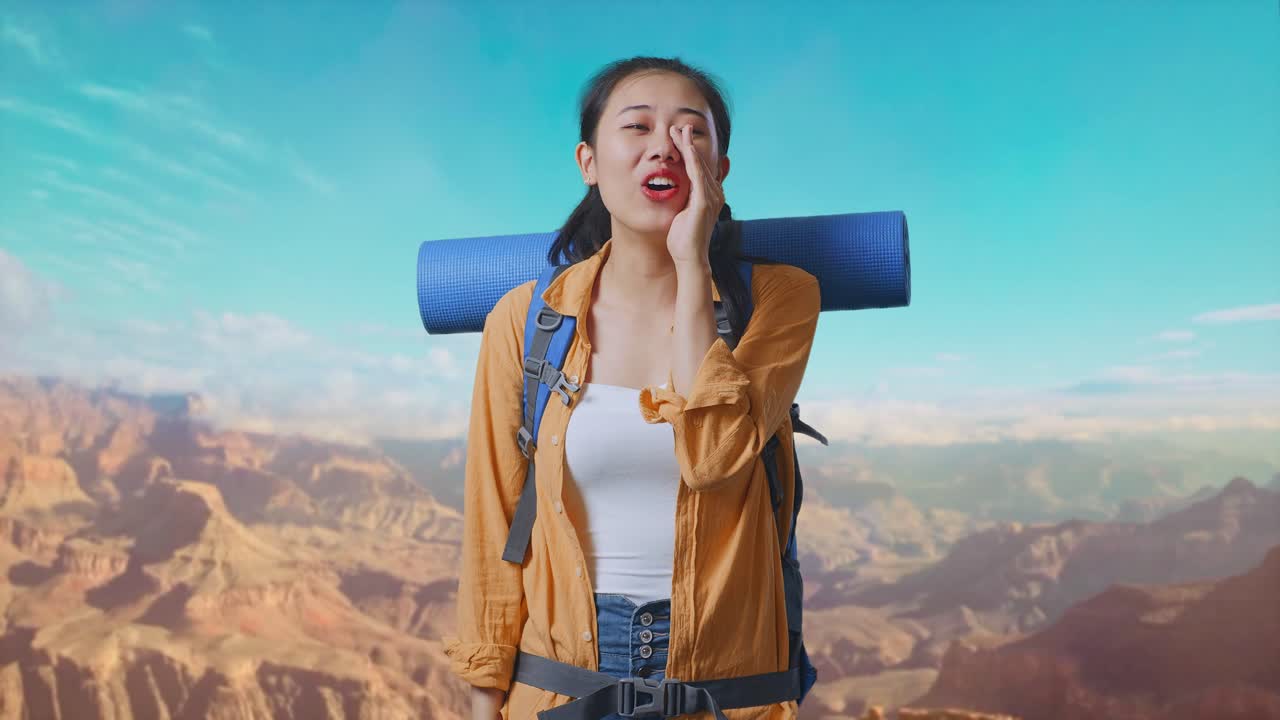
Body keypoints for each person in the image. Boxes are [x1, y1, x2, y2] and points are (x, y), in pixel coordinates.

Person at [442, 55, 821, 720]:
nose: (664, 147)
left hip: (732, 695)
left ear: (720, 172)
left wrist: (690, 260)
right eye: (638, 126)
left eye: (691, 132)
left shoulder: (781, 299)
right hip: (556, 685)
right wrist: (482, 697)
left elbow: (713, 457)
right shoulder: (525, 321)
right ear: (588, 162)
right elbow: (493, 519)